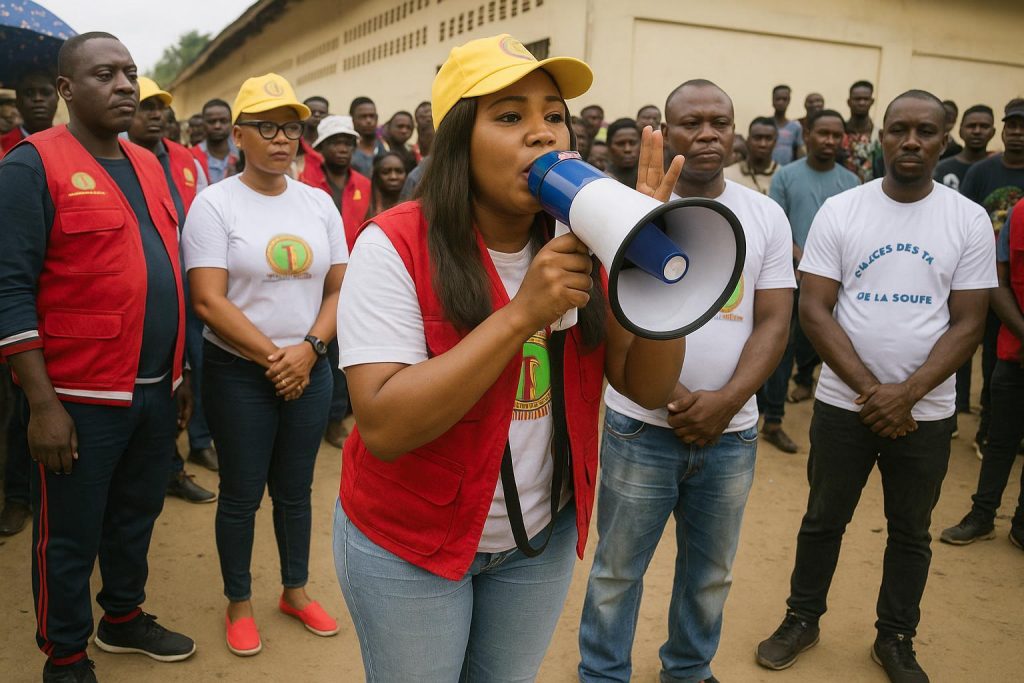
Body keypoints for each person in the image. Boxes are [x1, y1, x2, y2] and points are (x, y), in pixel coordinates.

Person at [333, 33, 685, 682]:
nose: (542, 134)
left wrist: (654, 275)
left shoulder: (585, 233)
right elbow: (382, 426)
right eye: (509, 116)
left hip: (536, 542)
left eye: (554, 115)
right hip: (411, 546)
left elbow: (646, 383)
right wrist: (521, 315)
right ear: (458, 139)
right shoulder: (393, 245)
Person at [755, 91, 995, 683]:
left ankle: (895, 638)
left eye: (926, 131)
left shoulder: (965, 218)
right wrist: (873, 391)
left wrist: (908, 394)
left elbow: (970, 320)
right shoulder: (844, 209)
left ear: (945, 140)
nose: (911, 141)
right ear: (880, 137)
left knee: (911, 531)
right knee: (822, 520)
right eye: (900, 130)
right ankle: (801, 618)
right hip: (844, 405)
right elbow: (815, 308)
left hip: (928, 412)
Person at [579, 78, 795, 683]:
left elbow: (775, 323)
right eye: (691, 122)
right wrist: (670, 396)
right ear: (663, 131)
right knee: (618, 571)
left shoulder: (765, 216)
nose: (707, 134)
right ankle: (602, 673)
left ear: (734, 132)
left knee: (710, 573)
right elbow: (607, 320)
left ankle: (688, 670)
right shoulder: (619, 213)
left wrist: (725, 404)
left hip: (731, 435)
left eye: (719, 123)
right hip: (641, 429)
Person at [0, 32, 199, 682]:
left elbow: (168, 267)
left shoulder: (148, 161)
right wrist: (41, 404)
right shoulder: (33, 165)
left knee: (136, 514)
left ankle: (122, 616)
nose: (124, 85)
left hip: (153, 389)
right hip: (80, 402)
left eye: (131, 73)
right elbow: (10, 289)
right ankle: (64, 655)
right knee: (68, 536)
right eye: (105, 74)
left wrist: (180, 372)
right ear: (65, 90)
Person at [183, 72, 347, 657]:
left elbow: (338, 290)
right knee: (242, 493)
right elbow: (207, 299)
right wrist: (277, 357)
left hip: (310, 366)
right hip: (240, 375)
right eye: (268, 126)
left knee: (297, 491)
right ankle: (239, 601)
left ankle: (295, 591)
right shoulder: (215, 204)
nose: (283, 139)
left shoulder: (319, 203)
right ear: (240, 134)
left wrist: (310, 350)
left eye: (292, 128)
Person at [126, 76, 216, 505]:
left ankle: (191, 451)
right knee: (151, 382)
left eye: (160, 106)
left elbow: (200, 226)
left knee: (193, 373)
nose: (156, 114)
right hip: (138, 297)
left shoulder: (185, 161)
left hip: (186, 291)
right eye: (146, 106)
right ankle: (155, 470)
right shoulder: (114, 158)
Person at [760, 109, 859, 452]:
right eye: (822, 134)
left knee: (822, 343)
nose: (829, 141)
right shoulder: (786, 175)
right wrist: (805, 260)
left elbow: (854, 235)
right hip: (791, 274)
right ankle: (772, 420)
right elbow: (778, 226)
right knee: (781, 347)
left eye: (836, 135)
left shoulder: (851, 182)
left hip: (835, 281)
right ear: (808, 135)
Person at [941, 198, 1024, 549]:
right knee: (999, 440)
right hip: (1015, 354)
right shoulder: (1019, 214)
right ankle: (982, 515)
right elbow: (998, 282)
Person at [0, 69, 59, 537]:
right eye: (30, 93)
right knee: (20, 407)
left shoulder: (75, 150)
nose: (38, 101)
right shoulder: (10, 154)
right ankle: (17, 496)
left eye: (44, 93)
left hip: (57, 308)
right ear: (18, 100)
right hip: (16, 301)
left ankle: (45, 497)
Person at [299, 114, 368, 449]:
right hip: (317, 281)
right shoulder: (307, 182)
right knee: (319, 346)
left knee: (347, 352)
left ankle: (336, 418)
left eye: (347, 142)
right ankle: (318, 418)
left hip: (359, 281)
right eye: (335, 143)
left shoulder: (363, 184)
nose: (342, 148)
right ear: (321, 148)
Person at [960, 99, 1024, 458]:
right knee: (988, 358)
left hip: (1020, 279)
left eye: (1023, 127)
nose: (1017, 133)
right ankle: (986, 428)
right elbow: (961, 216)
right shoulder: (982, 172)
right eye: (1012, 126)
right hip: (986, 279)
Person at [934, 104, 996, 417]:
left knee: (978, 335)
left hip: (988, 266)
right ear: (959, 130)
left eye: (984, 126)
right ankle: (956, 405)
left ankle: (986, 408)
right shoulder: (945, 168)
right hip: (950, 260)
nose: (977, 132)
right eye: (971, 125)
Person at [0, 69, 58, 156]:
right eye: (29, 93)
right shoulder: (2, 146)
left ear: (57, 99)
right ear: (18, 101)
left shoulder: (73, 143)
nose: (38, 98)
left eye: (46, 93)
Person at [724, 116, 778, 194]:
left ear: (775, 142)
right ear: (748, 140)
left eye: (768, 138)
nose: (763, 144)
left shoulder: (784, 176)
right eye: (757, 138)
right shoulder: (727, 175)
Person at [839, 80, 879, 183]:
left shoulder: (879, 136)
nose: (862, 103)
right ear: (849, 102)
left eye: (866, 99)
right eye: (857, 99)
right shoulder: (838, 133)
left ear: (872, 101)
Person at [195, 98, 239, 183]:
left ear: (231, 123)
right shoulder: (192, 157)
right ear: (203, 124)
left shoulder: (243, 154)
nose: (217, 126)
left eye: (223, 121)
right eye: (211, 122)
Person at [292, 95, 328, 179]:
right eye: (312, 112)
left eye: (322, 113)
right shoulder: (293, 141)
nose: (317, 115)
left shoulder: (330, 144)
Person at [349, 96, 386, 176]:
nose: (368, 121)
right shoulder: (347, 150)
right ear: (352, 119)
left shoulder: (386, 146)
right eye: (363, 117)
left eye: (372, 116)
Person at [771, 85, 804, 165]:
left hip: (786, 171)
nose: (781, 102)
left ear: (789, 101)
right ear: (773, 100)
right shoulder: (765, 125)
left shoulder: (796, 127)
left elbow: (800, 151)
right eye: (778, 99)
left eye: (784, 99)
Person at [367, 151, 406, 216]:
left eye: (399, 171)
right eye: (386, 172)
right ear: (376, 176)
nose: (393, 177)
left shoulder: (414, 205)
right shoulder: (365, 206)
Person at [605, 117, 640, 188]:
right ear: (609, 146)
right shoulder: (602, 182)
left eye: (633, 143)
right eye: (620, 144)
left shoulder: (655, 179)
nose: (627, 149)